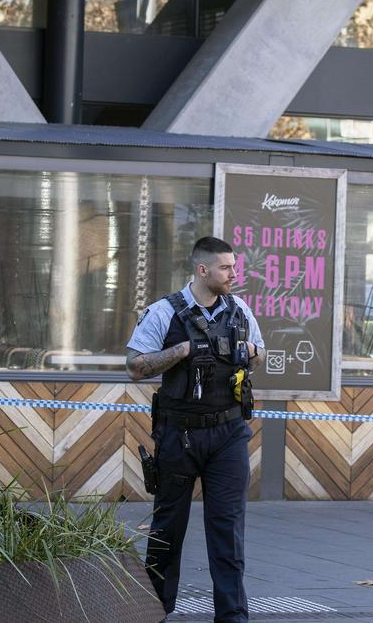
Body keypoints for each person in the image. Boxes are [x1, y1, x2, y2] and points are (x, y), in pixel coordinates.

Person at [126, 236, 265, 623]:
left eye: (234, 266)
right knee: (168, 528)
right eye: (226, 267)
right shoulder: (163, 312)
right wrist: (183, 351)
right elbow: (136, 367)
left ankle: (233, 616)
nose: (234, 274)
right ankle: (155, 610)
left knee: (228, 528)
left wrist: (250, 352)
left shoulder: (239, 310)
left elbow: (262, 353)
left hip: (229, 432)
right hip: (178, 434)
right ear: (203, 270)